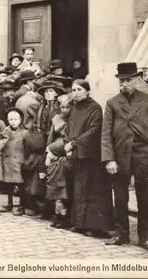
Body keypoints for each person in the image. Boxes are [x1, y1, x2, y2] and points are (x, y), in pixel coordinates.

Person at [102, 62, 148, 254]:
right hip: (120, 157)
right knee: (121, 197)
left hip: (145, 156)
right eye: (121, 81)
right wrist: (109, 159)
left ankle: (145, 238)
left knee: (145, 199)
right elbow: (106, 134)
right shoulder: (112, 103)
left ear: (136, 80)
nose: (124, 84)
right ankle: (121, 234)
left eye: (128, 80)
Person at [66, 79, 114, 237]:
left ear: (87, 91)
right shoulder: (74, 108)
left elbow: (94, 130)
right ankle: (79, 224)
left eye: (79, 90)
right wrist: (69, 143)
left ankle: (94, 227)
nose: (76, 93)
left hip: (91, 155)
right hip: (77, 154)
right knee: (79, 189)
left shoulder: (95, 108)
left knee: (92, 190)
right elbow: (70, 128)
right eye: (73, 90)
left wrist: (74, 143)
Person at [45, 94, 73, 229]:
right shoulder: (56, 119)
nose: (65, 110)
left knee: (65, 187)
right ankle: (58, 216)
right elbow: (52, 137)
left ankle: (65, 216)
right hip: (57, 154)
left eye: (68, 107)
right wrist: (49, 150)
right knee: (57, 185)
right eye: (62, 107)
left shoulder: (74, 118)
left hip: (67, 153)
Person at [0, 107, 27, 216]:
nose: (13, 122)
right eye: (10, 119)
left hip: (19, 161)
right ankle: (9, 203)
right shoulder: (5, 131)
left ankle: (21, 205)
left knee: (20, 184)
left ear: (20, 120)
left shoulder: (25, 133)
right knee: (8, 184)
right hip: (7, 161)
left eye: (16, 119)